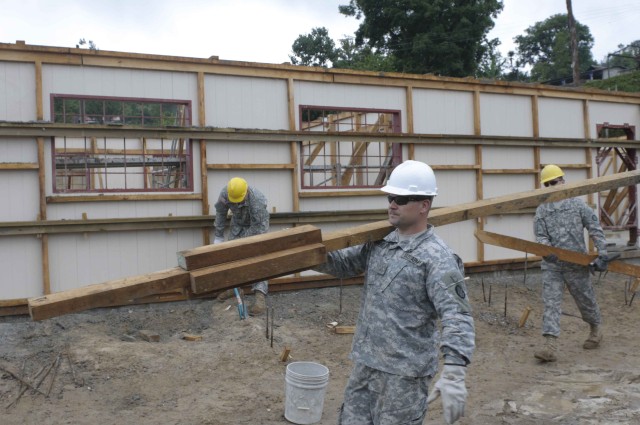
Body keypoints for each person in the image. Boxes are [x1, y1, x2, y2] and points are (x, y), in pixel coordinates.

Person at [314, 160, 475, 425]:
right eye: (390, 197)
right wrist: (304, 254)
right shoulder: (381, 243)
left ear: (424, 205)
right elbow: (343, 264)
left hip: (404, 376)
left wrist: (455, 370)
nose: (392, 204)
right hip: (366, 364)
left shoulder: (437, 258)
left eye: (401, 198)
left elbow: (457, 314)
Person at [533, 164, 610, 362]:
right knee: (551, 303)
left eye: (554, 182)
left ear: (563, 181)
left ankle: (595, 329)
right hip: (553, 266)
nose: (552, 186)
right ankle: (550, 345)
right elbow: (540, 236)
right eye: (548, 184)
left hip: (577, 264)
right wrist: (546, 250)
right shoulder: (542, 210)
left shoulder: (578, 205)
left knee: (585, 299)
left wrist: (603, 253)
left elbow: (594, 228)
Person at [213, 177, 270, 316]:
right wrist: (218, 236)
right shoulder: (225, 193)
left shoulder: (257, 199)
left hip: (256, 228)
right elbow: (220, 213)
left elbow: (260, 227)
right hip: (237, 226)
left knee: (257, 259)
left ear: (245, 193)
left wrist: (244, 243)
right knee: (232, 258)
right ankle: (235, 287)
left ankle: (259, 296)